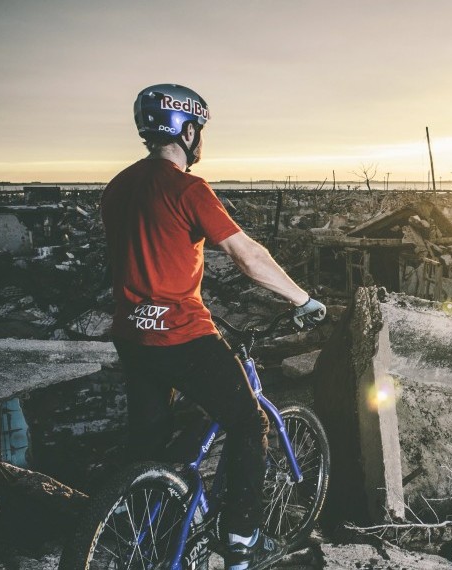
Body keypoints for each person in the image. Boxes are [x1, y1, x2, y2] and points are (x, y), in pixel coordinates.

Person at [101, 83, 326, 570]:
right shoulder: (188, 189)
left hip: (132, 335)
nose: (201, 140)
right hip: (181, 333)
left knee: (148, 437)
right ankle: (241, 538)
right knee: (249, 422)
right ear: (186, 129)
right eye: (199, 130)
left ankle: (142, 526)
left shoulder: (117, 187)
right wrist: (301, 298)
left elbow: (147, 254)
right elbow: (248, 256)